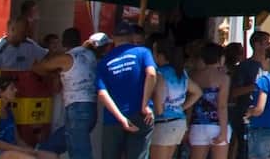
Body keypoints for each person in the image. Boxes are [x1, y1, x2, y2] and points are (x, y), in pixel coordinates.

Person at [33, 32, 110, 159]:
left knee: (79, 152)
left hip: (77, 109)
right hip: (90, 109)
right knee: (67, 145)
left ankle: (39, 152)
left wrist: (51, 72)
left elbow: (39, 68)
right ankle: (41, 151)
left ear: (64, 43)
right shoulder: (93, 57)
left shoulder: (68, 58)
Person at [96, 23, 159, 159]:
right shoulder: (143, 52)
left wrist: (121, 118)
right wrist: (145, 105)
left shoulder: (104, 62)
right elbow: (152, 74)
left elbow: (102, 93)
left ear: (113, 38)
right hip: (140, 115)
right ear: (131, 37)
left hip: (113, 120)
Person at [149, 39, 199, 159]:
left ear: (160, 55)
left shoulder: (160, 74)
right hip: (179, 123)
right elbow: (197, 92)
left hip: (164, 123)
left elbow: (159, 107)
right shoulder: (181, 73)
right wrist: (180, 107)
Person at [230, 31, 270, 159]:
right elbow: (234, 92)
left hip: (267, 116)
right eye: (267, 44)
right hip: (246, 115)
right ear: (257, 45)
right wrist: (256, 86)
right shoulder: (244, 67)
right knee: (245, 151)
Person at [187, 43, 230, 159]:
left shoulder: (193, 76)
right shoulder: (223, 78)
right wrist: (224, 131)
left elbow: (190, 105)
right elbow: (222, 106)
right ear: (220, 58)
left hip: (197, 124)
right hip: (217, 125)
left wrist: (187, 125)